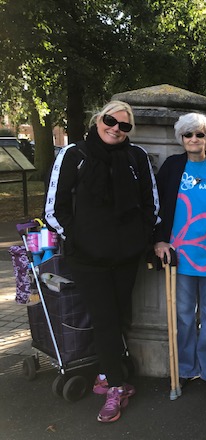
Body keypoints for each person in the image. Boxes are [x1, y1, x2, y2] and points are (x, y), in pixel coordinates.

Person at [45, 100, 159, 423]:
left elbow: (151, 204)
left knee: (120, 315)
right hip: (87, 258)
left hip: (125, 257)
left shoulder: (136, 158)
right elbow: (54, 208)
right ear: (98, 119)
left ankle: (107, 373)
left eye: (124, 126)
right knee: (105, 317)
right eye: (111, 121)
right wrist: (79, 238)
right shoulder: (74, 155)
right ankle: (116, 387)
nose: (116, 129)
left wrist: (141, 238)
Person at [153, 113, 206, 392]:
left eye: (199, 135)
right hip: (180, 258)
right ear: (181, 138)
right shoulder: (172, 166)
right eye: (188, 135)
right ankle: (186, 368)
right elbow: (158, 206)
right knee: (185, 317)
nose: (194, 139)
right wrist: (160, 241)